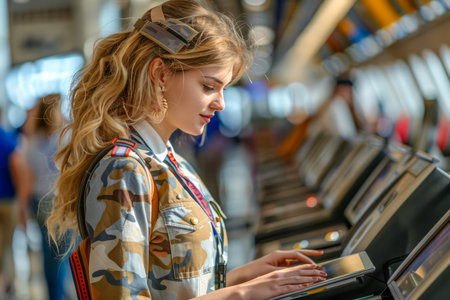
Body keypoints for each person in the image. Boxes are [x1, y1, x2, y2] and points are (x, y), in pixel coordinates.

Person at [47, 1, 327, 299]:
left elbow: (174, 287)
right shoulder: (124, 169)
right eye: (208, 87)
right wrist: (241, 295)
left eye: (223, 89)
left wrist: (242, 277)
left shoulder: (170, 161)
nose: (221, 103)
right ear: (161, 74)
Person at [24, 94, 72, 300]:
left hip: (43, 201)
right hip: (57, 201)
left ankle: (55, 295)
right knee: (63, 255)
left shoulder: (33, 143)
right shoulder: (65, 138)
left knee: (51, 254)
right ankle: (60, 294)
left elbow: (29, 180)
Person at [0, 115, 32, 296]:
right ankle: (8, 284)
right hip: (8, 201)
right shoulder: (8, 140)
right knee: (7, 245)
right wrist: (22, 201)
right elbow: (18, 168)